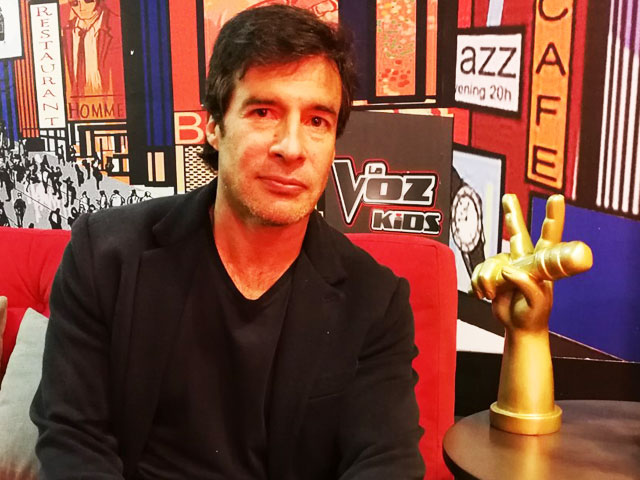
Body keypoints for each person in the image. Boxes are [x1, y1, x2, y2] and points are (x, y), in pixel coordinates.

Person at [31, 6, 424, 479]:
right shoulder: (104, 256)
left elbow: (386, 461)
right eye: (263, 112)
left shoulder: (375, 300)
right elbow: (74, 435)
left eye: (317, 121)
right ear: (214, 127)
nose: (291, 147)